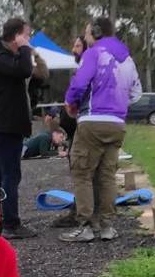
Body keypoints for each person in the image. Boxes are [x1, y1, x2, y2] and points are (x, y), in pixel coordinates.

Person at [61, 18, 142, 244]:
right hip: (117, 123)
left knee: (82, 172)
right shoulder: (127, 58)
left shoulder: (93, 53)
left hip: (92, 120)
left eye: (87, 33)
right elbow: (136, 93)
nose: (86, 37)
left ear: (96, 33)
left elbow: (79, 84)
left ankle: (86, 226)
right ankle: (107, 226)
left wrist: (71, 103)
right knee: (107, 176)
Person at [0, 16, 34, 238]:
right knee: (9, 174)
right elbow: (25, 70)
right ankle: (11, 223)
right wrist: (25, 49)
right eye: (26, 35)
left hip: (5, 125)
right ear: (16, 36)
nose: (29, 40)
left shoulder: (2, 57)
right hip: (4, 126)